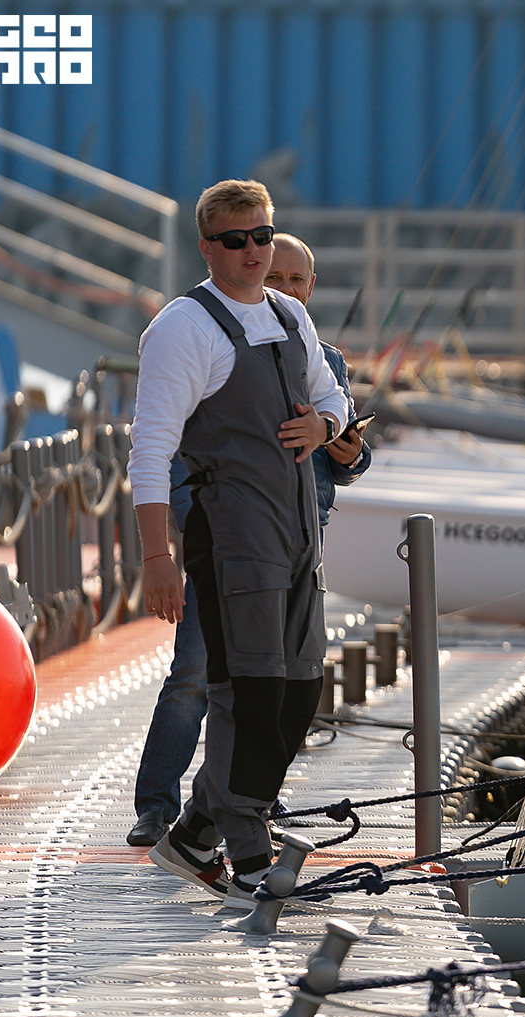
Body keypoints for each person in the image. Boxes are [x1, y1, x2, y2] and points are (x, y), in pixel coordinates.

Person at [127, 179, 349, 906]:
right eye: (235, 240)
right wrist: (157, 557)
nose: (253, 251)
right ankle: (249, 854)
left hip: (299, 538)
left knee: (298, 693)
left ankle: (195, 832)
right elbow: (149, 451)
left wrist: (325, 425)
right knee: (244, 694)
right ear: (207, 247)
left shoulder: (290, 315)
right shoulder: (182, 329)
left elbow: (332, 394)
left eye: (262, 235)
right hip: (231, 538)